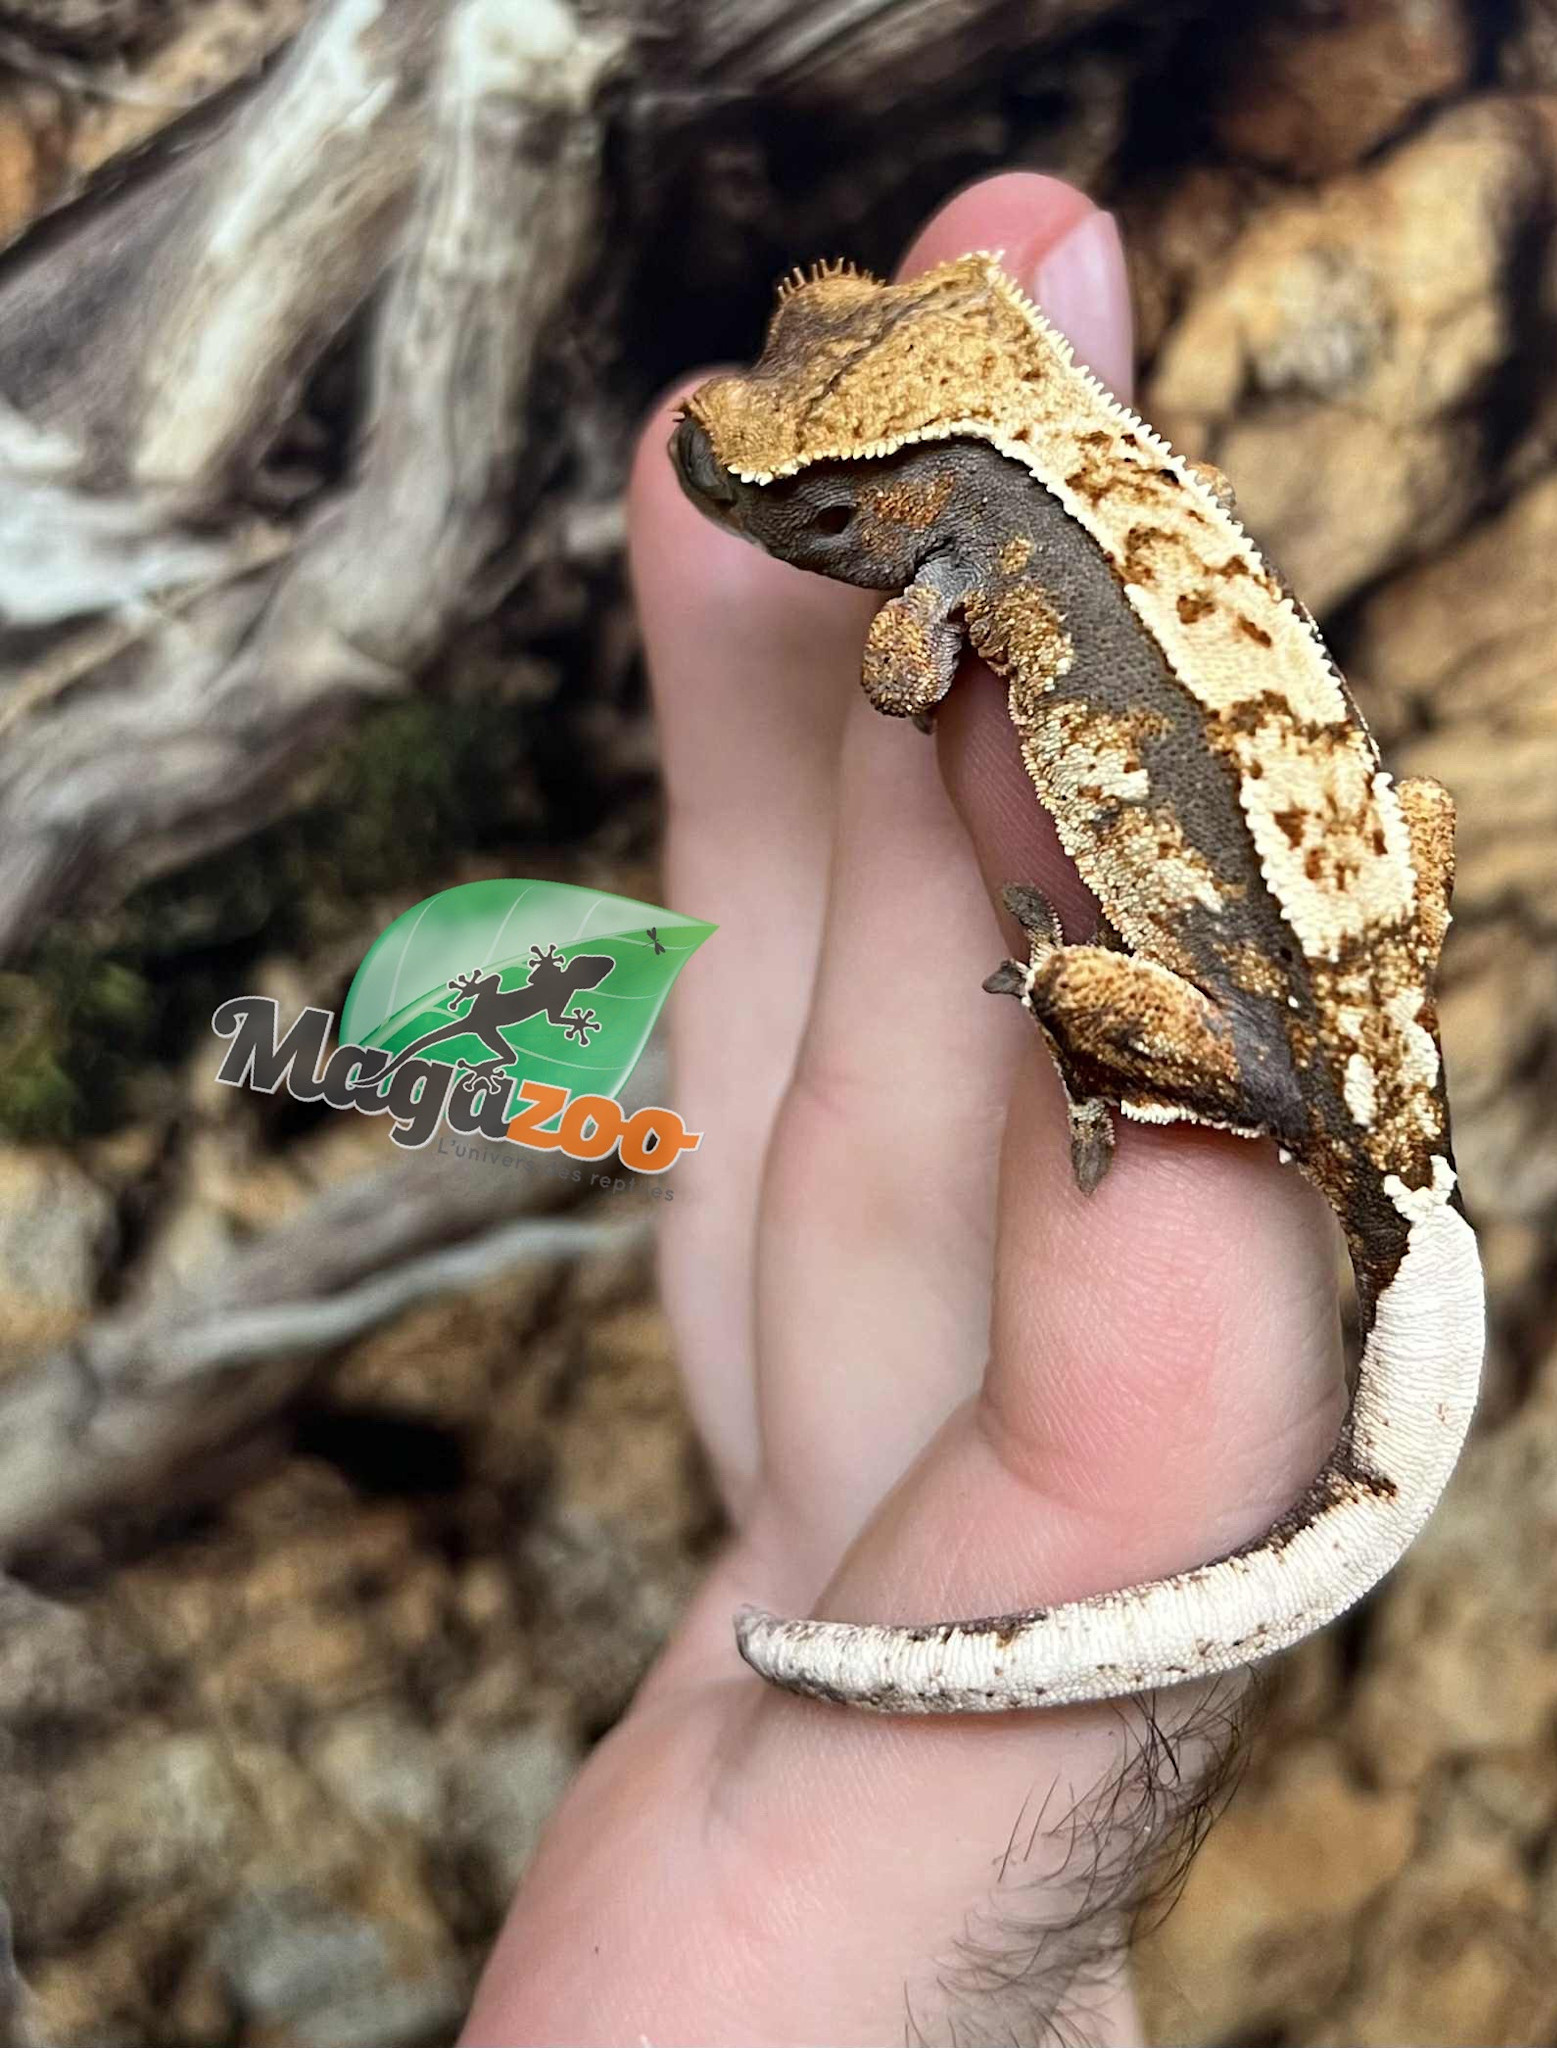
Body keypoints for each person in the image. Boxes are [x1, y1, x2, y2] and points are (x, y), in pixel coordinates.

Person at [459, 170, 1342, 2047]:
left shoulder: (976, 567)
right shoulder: (1002, 534)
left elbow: (898, 663)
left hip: (1260, 1015)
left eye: (826, 507)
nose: (775, 511)